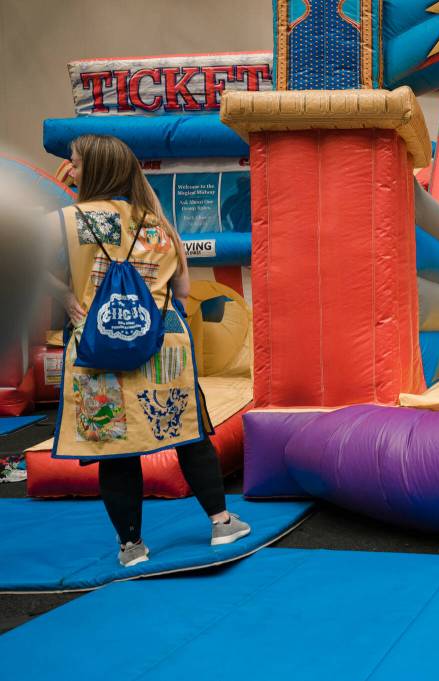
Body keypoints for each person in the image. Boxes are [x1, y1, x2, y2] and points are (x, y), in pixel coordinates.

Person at [46, 135, 251, 567]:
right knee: (188, 434)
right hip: (162, 346)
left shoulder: (68, 220)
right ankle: (221, 522)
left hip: (95, 345)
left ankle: (131, 547)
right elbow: (184, 290)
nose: (72, 169)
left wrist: (68, 299)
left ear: (95, 170)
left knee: (114, 444)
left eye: (76, 163)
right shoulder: (157, 225)